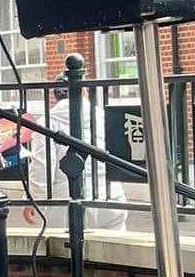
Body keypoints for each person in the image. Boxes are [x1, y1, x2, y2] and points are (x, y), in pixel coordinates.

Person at [23, 84, 128, 231]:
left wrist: (34, 199)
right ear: (84, 91)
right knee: (113, 252)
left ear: (55, 95)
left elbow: (42, 168)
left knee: (65, 250)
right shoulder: (104, 116)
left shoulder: (46, 123)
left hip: (65, 201)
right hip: (110, 197)